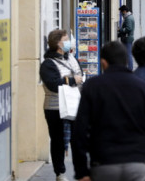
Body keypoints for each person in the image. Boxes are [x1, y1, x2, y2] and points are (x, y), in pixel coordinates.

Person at [72, 41, 145, 181]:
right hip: (137, 165)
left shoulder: (92, 87)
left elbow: (79, 131)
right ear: (126, 61)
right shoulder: (144, 87)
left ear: (103, 63)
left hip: (103, 165)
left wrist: (82, 172)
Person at [40, 29, 83, 181]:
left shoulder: (71, 58)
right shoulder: (48, 64)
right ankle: (60, 173)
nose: (69, 42)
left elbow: (80, 74)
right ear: (58, 43)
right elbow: (52, 84)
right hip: (55, 107)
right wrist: (71, 80)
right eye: (66, 39)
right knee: (57, 140)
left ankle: (81, 172)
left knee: (78, 140)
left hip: (75, 105)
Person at [118, 5, 135, 70]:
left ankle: (130, 68)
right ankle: (128, 68)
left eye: (121, 12)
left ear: (124, 11)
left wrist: (120, 30)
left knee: (128, 54)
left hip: (127, 38)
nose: (121, 13)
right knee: (128, 54)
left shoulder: (128, 18)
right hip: (128, 37)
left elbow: (128, 28)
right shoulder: (129, 17)